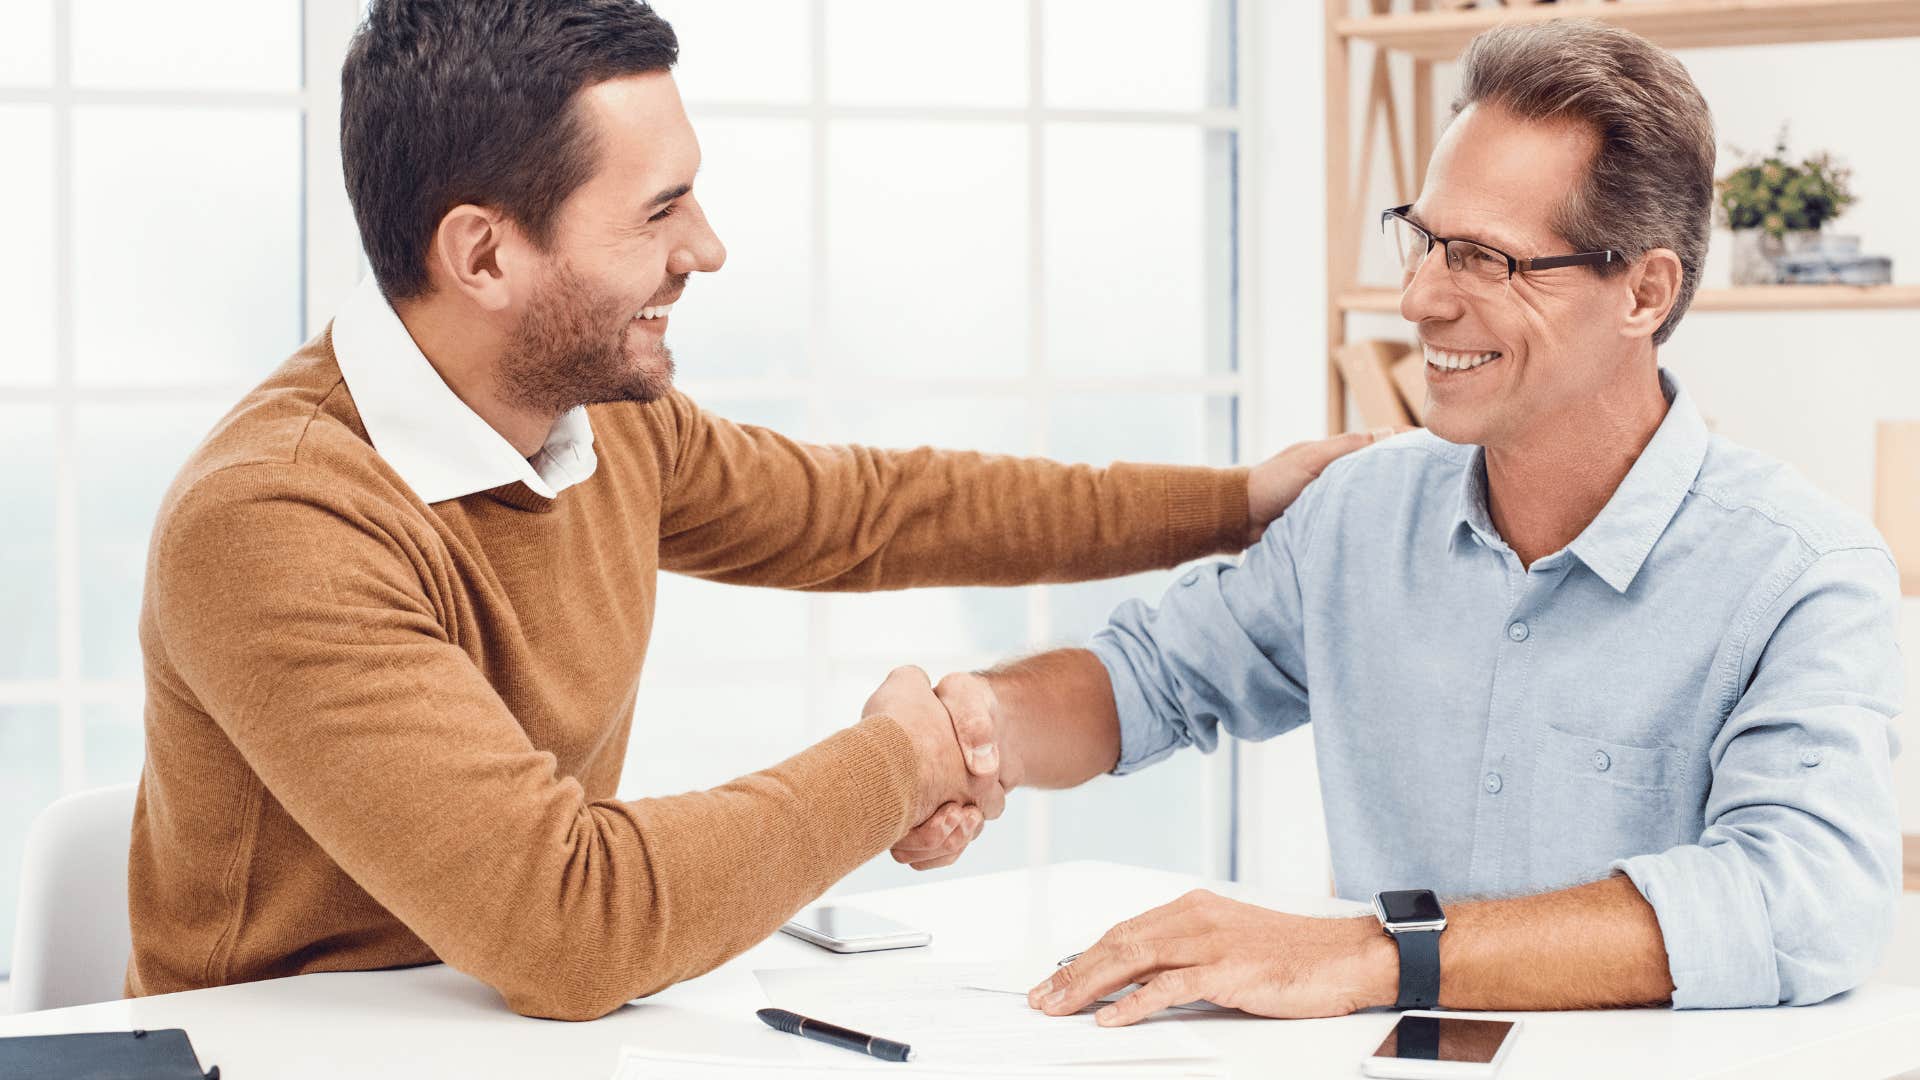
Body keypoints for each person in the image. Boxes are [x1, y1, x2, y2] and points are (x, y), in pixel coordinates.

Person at [124, 0, 1377, 1021]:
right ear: (485, 255)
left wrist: (1238, 503)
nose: (707, 248)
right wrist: (906, 761)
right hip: (281, 1053)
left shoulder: (596, 418)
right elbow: (571, 924)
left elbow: (879, 513)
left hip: (502, 1036)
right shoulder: (279, 519)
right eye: (659, 210)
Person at [905, 19, 1904, 1024]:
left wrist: (1372, 954)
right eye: (1425, 239)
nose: (1420, 298)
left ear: (1642, 291)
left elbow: (1800, 904)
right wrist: (978, 735)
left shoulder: (1806, 575)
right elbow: (1151, 678)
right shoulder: (1359, 514)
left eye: (1483, 259)